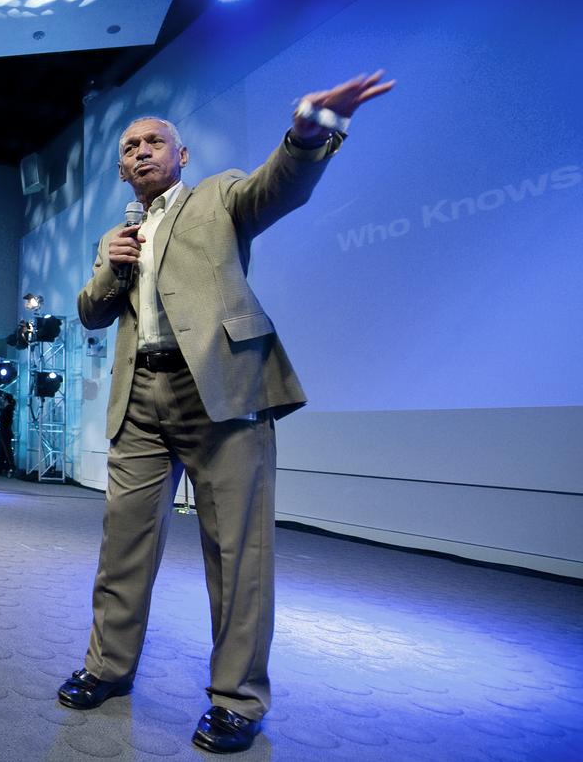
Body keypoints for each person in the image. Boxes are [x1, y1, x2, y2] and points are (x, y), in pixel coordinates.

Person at [58, 72, 394, 754]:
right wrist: (109, 269)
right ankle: (108, 666)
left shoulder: (217, 198)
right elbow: (91, 312)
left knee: (238, 551)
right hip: (140, 397)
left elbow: (278, 186)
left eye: (155, 141)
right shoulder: (115, 236)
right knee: (122, 544)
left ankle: (237, 699)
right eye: (129, 146)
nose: (141, 152)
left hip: (222, 390)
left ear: (182, 158)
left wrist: (308, 134)